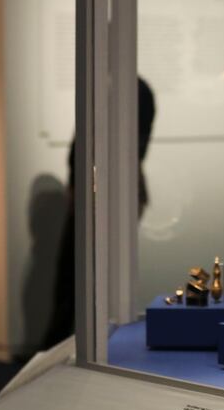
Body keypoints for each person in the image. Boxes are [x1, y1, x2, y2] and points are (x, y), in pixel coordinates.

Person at [43, 77, 155, 349]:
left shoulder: (119, 89)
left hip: (102, 191)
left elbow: (86, 144)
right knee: (85, 277)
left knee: (80, 276)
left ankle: (81, 345)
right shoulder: (127, 89)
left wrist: (79, 185)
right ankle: (89, 343)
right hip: (105, 190)